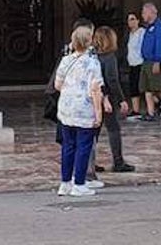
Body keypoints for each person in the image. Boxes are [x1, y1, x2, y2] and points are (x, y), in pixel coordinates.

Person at [54, 24, 105, 197]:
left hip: (66, 108)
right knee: (84, 146)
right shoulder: (92, 63)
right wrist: (98, 113)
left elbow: (57, 85)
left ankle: (65, 182)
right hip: (84, 108)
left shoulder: (66, 60)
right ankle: (80, 183)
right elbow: (96, 89)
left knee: (68, 145)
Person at [92, 26, 135, 173]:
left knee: (93, 131)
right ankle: (118, 161)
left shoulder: (93, 56)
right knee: (113, 129)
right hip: (107, 98)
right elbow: (112, 80)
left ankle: (89, 162)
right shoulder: (110, 57)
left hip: (94, 95)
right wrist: (122, 99)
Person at [124, 11, 145, 120]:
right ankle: (135, 110)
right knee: (133, 86)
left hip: (140, 62)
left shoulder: (142, 32)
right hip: (132, 63)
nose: (130, 22)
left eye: (132, 19)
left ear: (138, 20)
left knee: (142, 86)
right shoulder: (130, 34)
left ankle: (157, 102)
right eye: (129, 20)